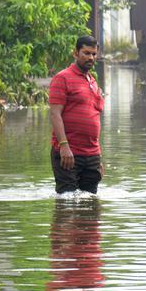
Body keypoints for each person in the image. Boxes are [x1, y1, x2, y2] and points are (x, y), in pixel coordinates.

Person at [48, 35, 105, 195]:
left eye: (94, 54)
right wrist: (64, 146)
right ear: (75, 53)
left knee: (90, 205)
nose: (91, 58)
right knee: (66, 203)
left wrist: (98, 157)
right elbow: (55, 114)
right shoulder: (62, 78)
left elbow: (95, 118)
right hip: (69, 152)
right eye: (86, 53)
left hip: (92, 155)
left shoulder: (92, 81)